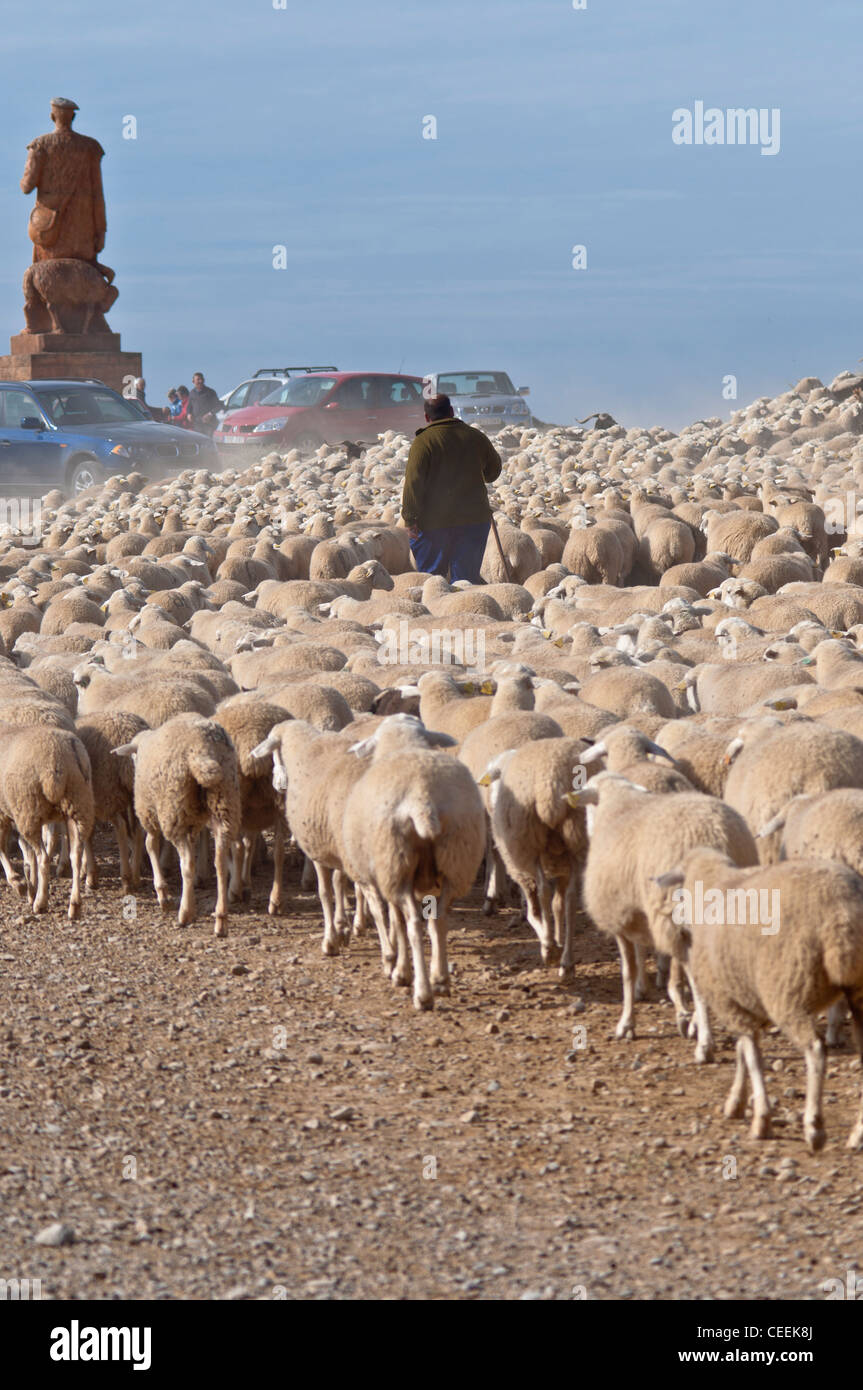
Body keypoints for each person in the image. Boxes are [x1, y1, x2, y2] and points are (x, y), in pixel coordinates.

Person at [401, 393, 502, 583]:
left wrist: (409, 518)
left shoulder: (423, 442)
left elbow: (414, 481)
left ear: (426, 417)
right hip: (473, 520)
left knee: (431, 582)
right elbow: (493, 472)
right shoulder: (475, 437)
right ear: (452, 411)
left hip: (434, 524)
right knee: (465, 581)